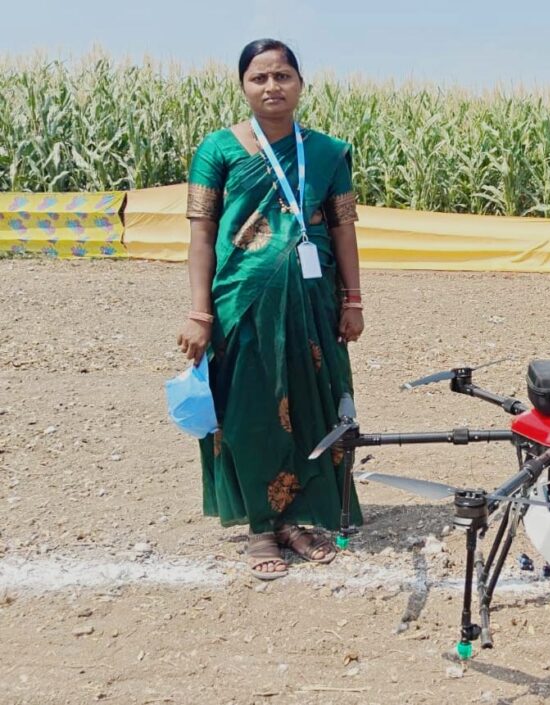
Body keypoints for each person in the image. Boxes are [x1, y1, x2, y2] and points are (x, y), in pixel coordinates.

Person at [177, 38, 365, 579]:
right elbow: (202, 235)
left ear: (301, 84)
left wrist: (353, 300)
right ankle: (261, 526)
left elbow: (343, 230)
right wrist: (200, 313)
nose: (271, 86)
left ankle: (298, 519)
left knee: (311, 406)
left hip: (313, 306)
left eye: (282, 76)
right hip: (241, 306)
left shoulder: (327, 153)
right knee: (250, 410)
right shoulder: (218, 149)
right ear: (243, 87)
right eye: (258, 78)